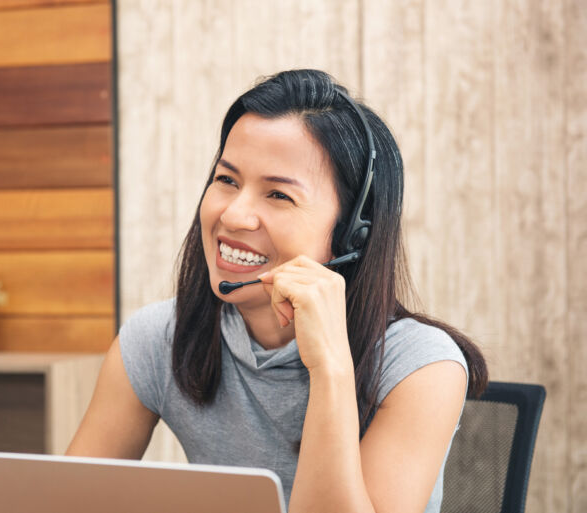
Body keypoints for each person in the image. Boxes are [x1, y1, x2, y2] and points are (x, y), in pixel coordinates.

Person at [67, 69, 487, 513]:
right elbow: (67, 502)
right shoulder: (156, 339)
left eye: (278, 196)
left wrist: (330, 368)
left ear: (351, 235)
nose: (234, 216)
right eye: (227, 180)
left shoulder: (422, 365)